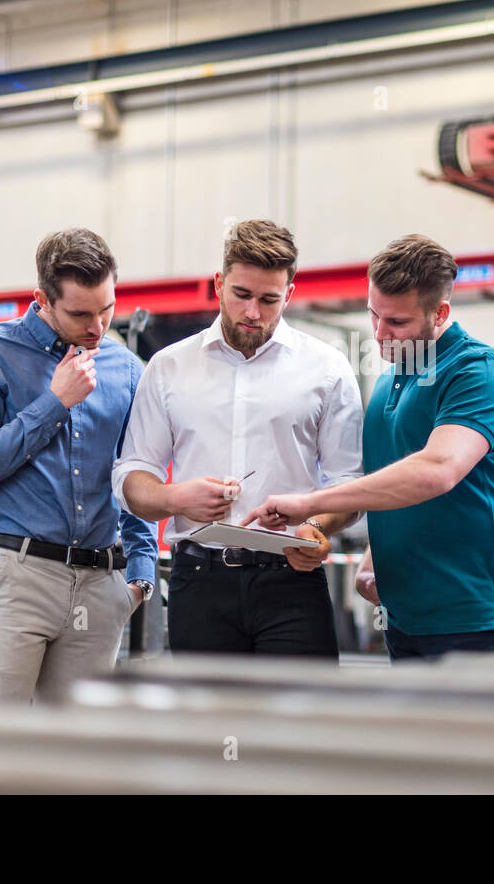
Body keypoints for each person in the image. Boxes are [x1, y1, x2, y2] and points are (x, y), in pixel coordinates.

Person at [244, 234, 494, 661]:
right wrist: (374, 551)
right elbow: (392, 483)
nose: (379, 334)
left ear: (441, 313)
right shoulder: (389, 381)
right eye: (373, 315)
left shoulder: (478, 373)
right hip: (404, 618)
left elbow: (436, 470)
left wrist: (310, 503)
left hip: (475, 621)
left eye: (397, 322)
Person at [112, 219, 363, 658]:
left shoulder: (327, 368)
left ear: (290, 293)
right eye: (241, 295)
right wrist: (177, 499)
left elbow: (350, 487)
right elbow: (132, 479)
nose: (253, 313)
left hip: (292, 582)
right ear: (218, 284)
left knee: (301, 722)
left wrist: (314, 527)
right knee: (207, 725)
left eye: (269, 300)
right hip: (199, 582)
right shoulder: (168, 368)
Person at [0, 228, 157, 705]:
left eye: (107, 308)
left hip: (101, 586)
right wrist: (54, 403)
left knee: (75, 761)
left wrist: (140, 576)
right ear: (41, 299)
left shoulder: (127, 370)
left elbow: (135, 474)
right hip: (12, 580)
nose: (98, 326)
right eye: (80, 313)